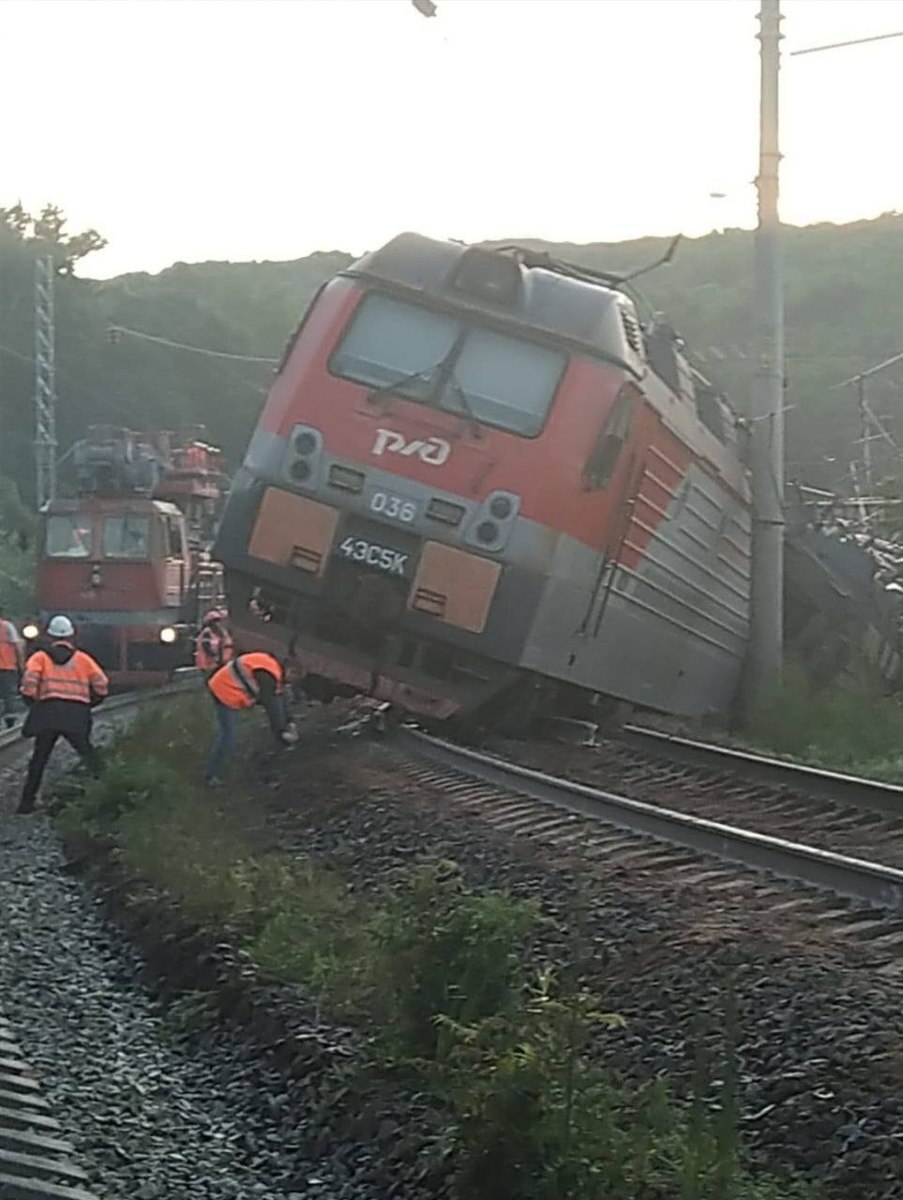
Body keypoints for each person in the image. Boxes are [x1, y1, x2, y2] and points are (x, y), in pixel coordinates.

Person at [17, 614, 109, 815]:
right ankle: (109, 794)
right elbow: (101, 684)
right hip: (76, 715)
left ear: (50, 636)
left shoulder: (39, 658)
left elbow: (29, 682)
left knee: (39, 759)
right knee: (89, 755)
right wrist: (91, 702)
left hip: (48, 712)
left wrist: (33, 701)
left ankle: (26, 803)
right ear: (71, 636)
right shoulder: (83, 660)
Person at [204, 651, 298, 785]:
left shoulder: (274, 671)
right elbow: (271, 705)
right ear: (289, 671)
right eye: (295, 677)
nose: (293, 682)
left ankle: (216, 771)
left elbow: (280, 699)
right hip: (224, 691)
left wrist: (290, 721)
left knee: (229, 734)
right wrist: (281, 732)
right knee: (228, 736)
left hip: (227, 686)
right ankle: (211, 775)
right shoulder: (268, 676)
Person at [0, 605, 25, 729]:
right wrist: (22, 665)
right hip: (7, 666)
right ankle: (9, 721)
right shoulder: (7, 626)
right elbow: (18, 646)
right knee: (8, 695)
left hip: (6, 666)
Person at [194, 608, 234, 677]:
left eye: (218, 621)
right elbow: (206, 646)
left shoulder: (223, 632)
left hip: (222, 664)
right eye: (215, 621)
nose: (217, 623)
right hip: (209, 666)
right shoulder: (207, 632)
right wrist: (215, 657)